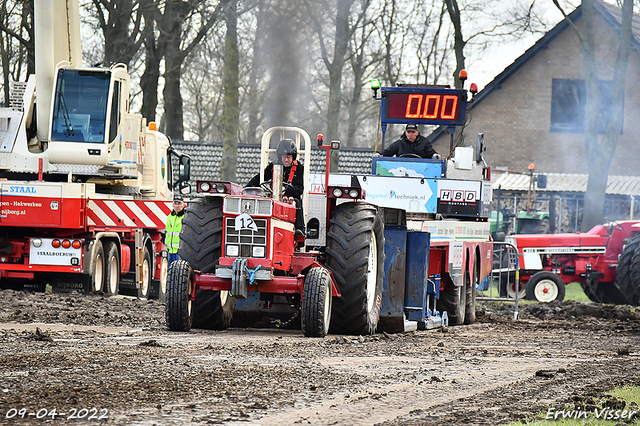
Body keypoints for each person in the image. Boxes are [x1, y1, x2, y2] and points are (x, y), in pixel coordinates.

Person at [247, 139, 305, 235]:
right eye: (284, 157)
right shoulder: (273, 166)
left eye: (289, 157)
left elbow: (300, 189)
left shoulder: (299, 168)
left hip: (290, 197)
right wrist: (247, 187)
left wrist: (290, 190)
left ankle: (300, 229)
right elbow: (259, 178)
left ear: (293, 157)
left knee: (297, 202)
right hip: (273, 197)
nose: (286, 160)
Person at [165, 194, 186, 265]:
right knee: (170, 271)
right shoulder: (170, 217)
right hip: (170, 251)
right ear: (172, 205)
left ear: (183, 205)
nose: (177, 206)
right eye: (175, 203)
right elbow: (167, 231)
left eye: (179, 203)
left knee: (178, 272)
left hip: (179, 251)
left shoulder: (185, 217)